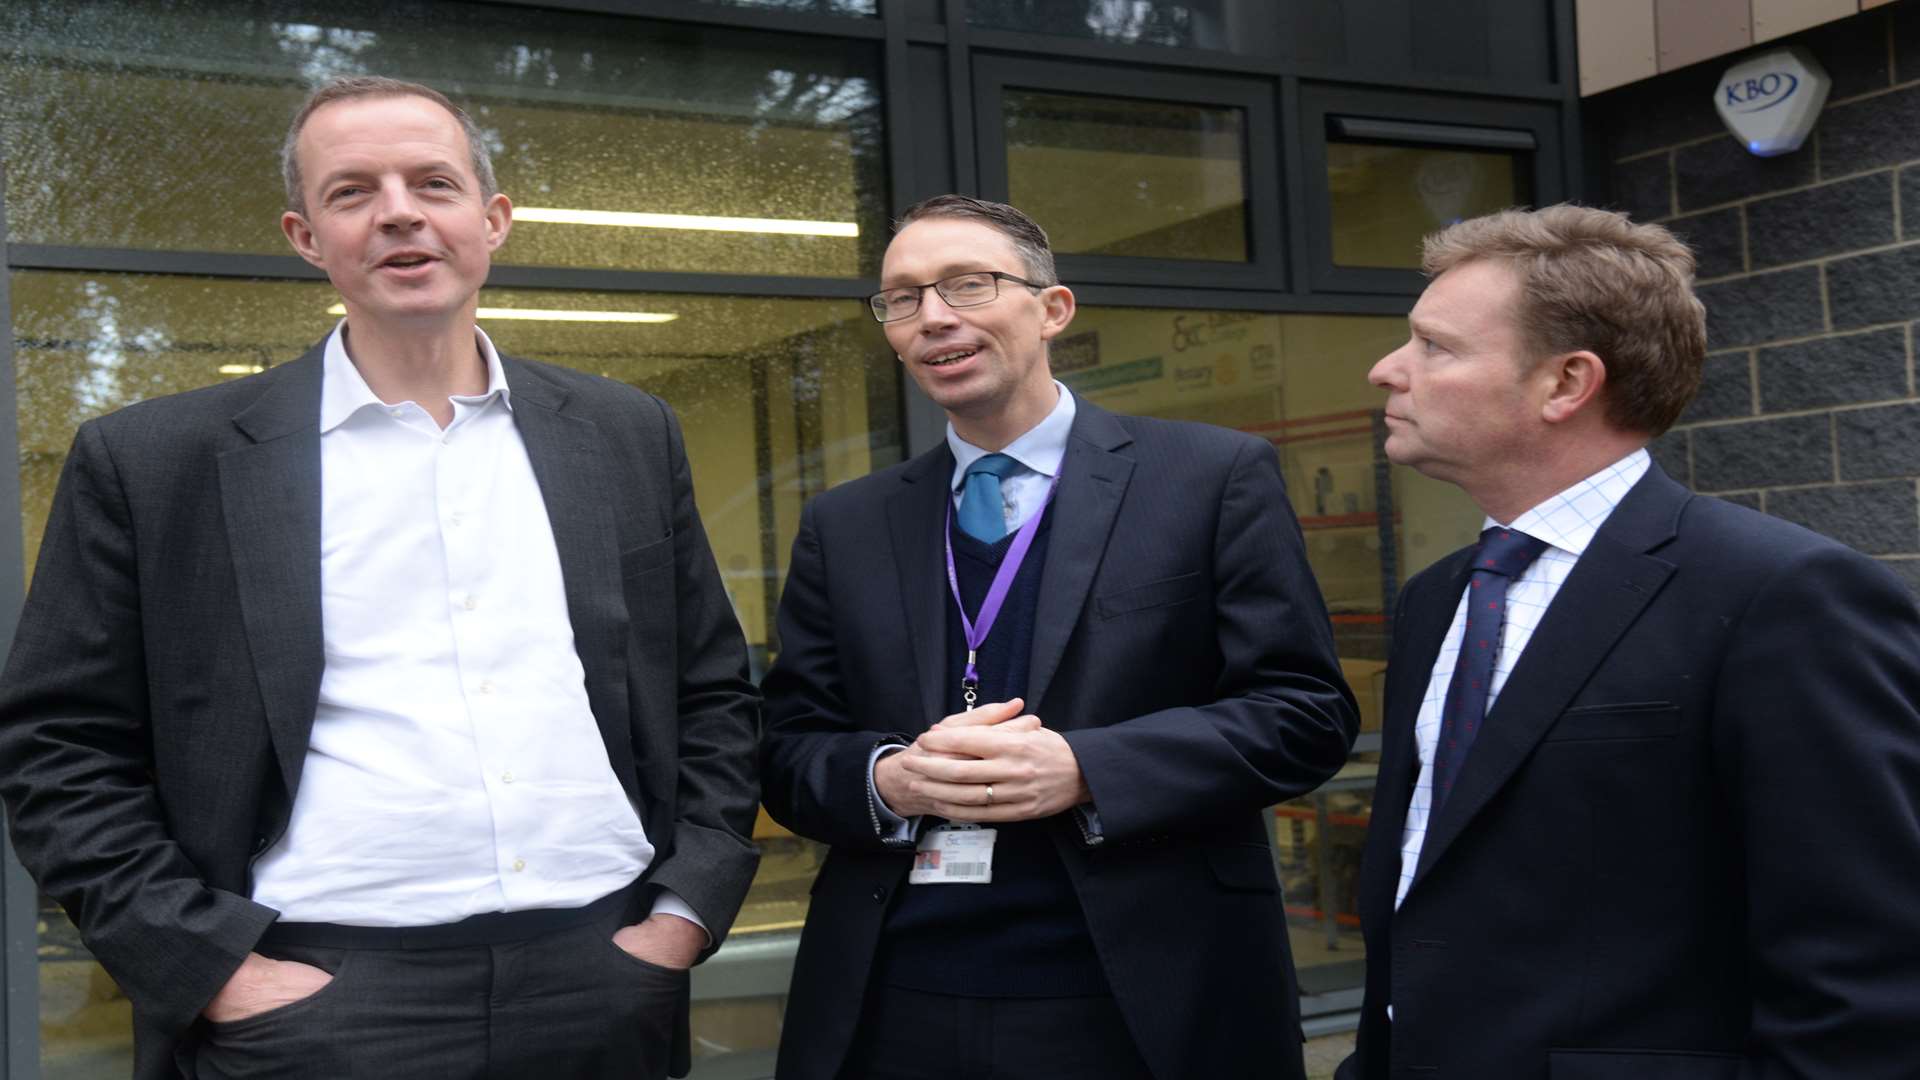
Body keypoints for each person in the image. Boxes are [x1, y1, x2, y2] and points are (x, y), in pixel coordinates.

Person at [0, 76, 760, 1080]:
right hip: (311, 1004)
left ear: (492, 221)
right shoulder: (154, 462)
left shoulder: (623, 434)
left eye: (433, 183)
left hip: (606, 979)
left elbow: (711, 689)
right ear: (306, 236)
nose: (400, 210)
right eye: (352, 191)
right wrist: (211, 964)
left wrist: (683, 914)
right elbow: (60, 746)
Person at [759, 194, 1357, 1080]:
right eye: (902, 297)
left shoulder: (1207, 478)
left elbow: (1305, 714)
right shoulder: (845, 524)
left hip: (1139, 990)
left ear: (1052, 310)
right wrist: (887, 777)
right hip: (896, 992)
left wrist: (1087, 769)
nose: (933, 318)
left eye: (969, 285)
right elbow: (788, 748)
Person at [1339, 205, 1920, 1079]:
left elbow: (1866, 971)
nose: (1387, 370)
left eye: (1435, 347)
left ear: (1567, 383)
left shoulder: (1784, 597)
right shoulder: (1437, 599)